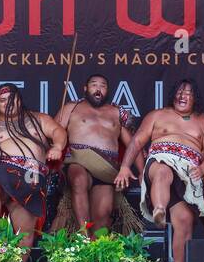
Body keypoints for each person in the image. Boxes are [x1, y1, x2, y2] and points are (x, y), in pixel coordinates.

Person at [114, 79, 204, 262]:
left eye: (188, 93)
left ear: (195, 98)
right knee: (163, 172)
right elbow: (137, 141)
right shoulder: (158, 115)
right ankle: (159, 210)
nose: (182, 96)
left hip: (187, 172)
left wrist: (203, 168)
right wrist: (125, 167)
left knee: (185, 219)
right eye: (179, 92)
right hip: (160, 161)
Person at [0, 84, 67, 247]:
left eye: (11, 99)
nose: (7, 103)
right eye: (2, 100)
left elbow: (58, 131)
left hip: (30, 175)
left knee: (24, 233)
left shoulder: (39, 119)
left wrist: (57, 146)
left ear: (19, 100)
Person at [50, 74, 141, 234]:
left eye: (103, 86)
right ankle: (84, 236)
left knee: (102, 216)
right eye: (94, 84)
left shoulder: (117, 112)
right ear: (85, 89)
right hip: (78, 161)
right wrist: (54, 150)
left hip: (107, 170)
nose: (98, 89)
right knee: (78, 180)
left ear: (107, 91)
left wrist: (142, 172)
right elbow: (54, 132)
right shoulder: (72, 107)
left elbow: (134, 144)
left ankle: (96, 251)